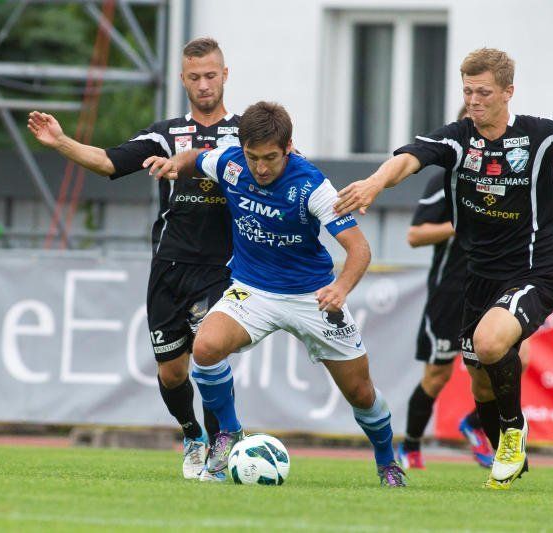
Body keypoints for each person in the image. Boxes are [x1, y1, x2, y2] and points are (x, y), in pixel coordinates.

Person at [335, 48, 553, 490]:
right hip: (478, 280)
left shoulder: (538, 136)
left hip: (535, 273)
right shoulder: (458, 140)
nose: (474, 101)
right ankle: (507, 454)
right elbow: (409, 160)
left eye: (484, 93)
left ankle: (513, 434)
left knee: (490, 343)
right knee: (480, 384)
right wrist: (375, 181)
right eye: (468, 92)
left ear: (508, 92)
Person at [144, 101, 407, 487]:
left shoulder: (312, 185)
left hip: (311, 296)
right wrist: (174, 164)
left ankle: (387, 463)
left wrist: (340, 288)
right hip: (253, 290)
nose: (261, 168)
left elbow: (359, 249)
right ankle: (229, 432)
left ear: (288, 148)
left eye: (270, 158)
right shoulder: (231, 163)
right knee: (206, 348)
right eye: (253, 157)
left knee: (360, 392)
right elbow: (196, 157)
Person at [27, 37, 242, 479]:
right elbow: (108, 162)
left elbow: (284, 162)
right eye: (195, 77)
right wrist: (61, 141)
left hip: (221, 268)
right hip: (168, 267)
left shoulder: (245, 134)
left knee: (209, 356)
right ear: (183, 79)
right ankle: (192, 435)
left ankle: (222, 446)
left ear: (225, 75)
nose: (204, 85)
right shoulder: (164, 135)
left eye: (211, 75)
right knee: (172, 372)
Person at [398, 106, 532, 471]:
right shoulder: (447, 178)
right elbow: (414, 235)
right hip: (451, 292)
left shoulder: (508, 176)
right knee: (437, 375)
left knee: (516, 359)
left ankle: (475, 424)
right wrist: (463, 223)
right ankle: (409, 446)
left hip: (493, 287)